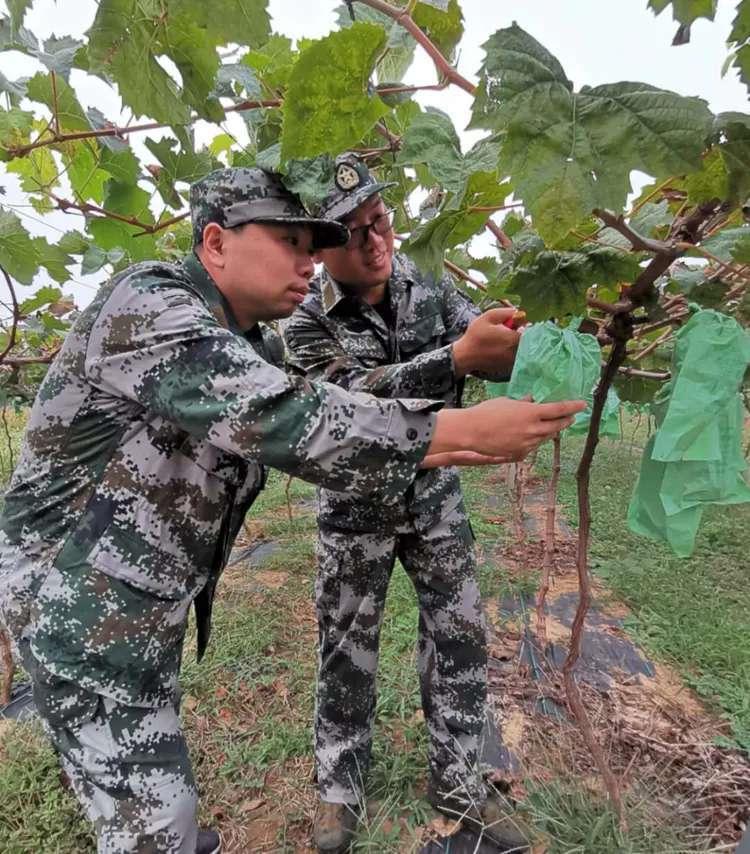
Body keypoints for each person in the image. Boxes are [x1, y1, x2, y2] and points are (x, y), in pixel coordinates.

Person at [0, 166, 584, 854]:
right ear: (215, 243)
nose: (309, 262)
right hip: (78, 609)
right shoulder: (149, 304)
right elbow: (291, 415)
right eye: (291, 241)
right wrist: (457, 428)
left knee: (154, 789)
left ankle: (171, 825)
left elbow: (308, 416)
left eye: (316, 244)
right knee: (155, 819)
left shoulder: (256, 339)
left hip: (137, 603)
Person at [284, 153, 543, 853]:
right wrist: (455, 359)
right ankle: (338, 792)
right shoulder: (305, 323)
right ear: (319, 247)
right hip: (354, 506)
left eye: (380, 220)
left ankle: (460, 783)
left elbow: (481, 338)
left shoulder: (428, 283)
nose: (375, 240)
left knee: (458, 637)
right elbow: (351, 401)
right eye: (352, 232)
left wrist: (525, 340)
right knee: (345, 650)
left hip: (434, 498)